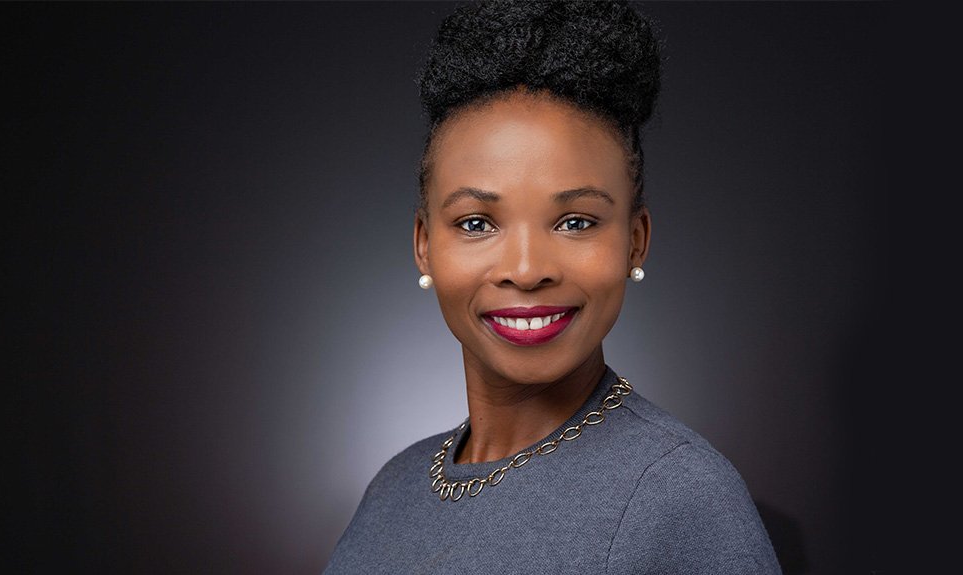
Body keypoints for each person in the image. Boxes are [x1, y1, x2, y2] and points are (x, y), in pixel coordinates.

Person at [324, 1, 781, 573]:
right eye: (476, 223)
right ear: (424, 245)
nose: (525, 267)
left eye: (576, 222)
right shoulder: (395, 485)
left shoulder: (678, 499)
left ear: (635, 241)